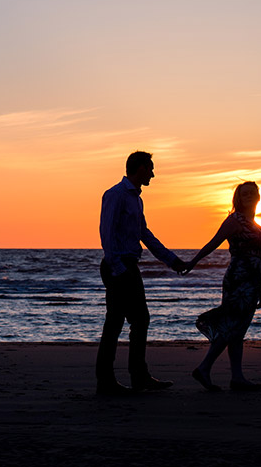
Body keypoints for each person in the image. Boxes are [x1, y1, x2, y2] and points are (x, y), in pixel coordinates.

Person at [96, 151, 187, 395]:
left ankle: (130, 377)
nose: (153, 174)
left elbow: (144, 234)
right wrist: (118, 268)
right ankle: (119, 379)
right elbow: (106, 232)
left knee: (128, 321)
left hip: (126, 265)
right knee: (125, 322)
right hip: (120, 266)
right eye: (150, 169)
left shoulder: (136, 198)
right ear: (140, 168)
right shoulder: (115, 194)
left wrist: (172, 260)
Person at [186, 181, 261, 392]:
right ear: (238, 198)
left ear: (259, 197)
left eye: (252, 193)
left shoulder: (256, 225)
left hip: (251, 283)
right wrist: (192, 262)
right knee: (232, 326)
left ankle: (237, 378)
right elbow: (213, 243)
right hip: (238, 282)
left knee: (239, 330)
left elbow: (259, 258)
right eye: (244, 194)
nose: (249, 196)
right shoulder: (235, 220)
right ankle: (204, 368)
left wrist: (259, 288)